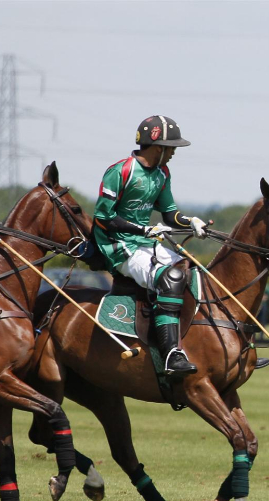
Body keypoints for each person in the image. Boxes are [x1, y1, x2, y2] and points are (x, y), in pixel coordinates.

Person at [93, 116, 208, 378]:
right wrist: (142, 229)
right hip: (117, 246)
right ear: (159, 147)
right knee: (170, 277)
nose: (174, 153)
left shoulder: (162, 173)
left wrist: (191, 223)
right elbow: (103, 218)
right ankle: (170, 354)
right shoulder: (120, 171)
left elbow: (170, 215)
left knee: (193, 272)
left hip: (144, 243)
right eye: (172, 148)